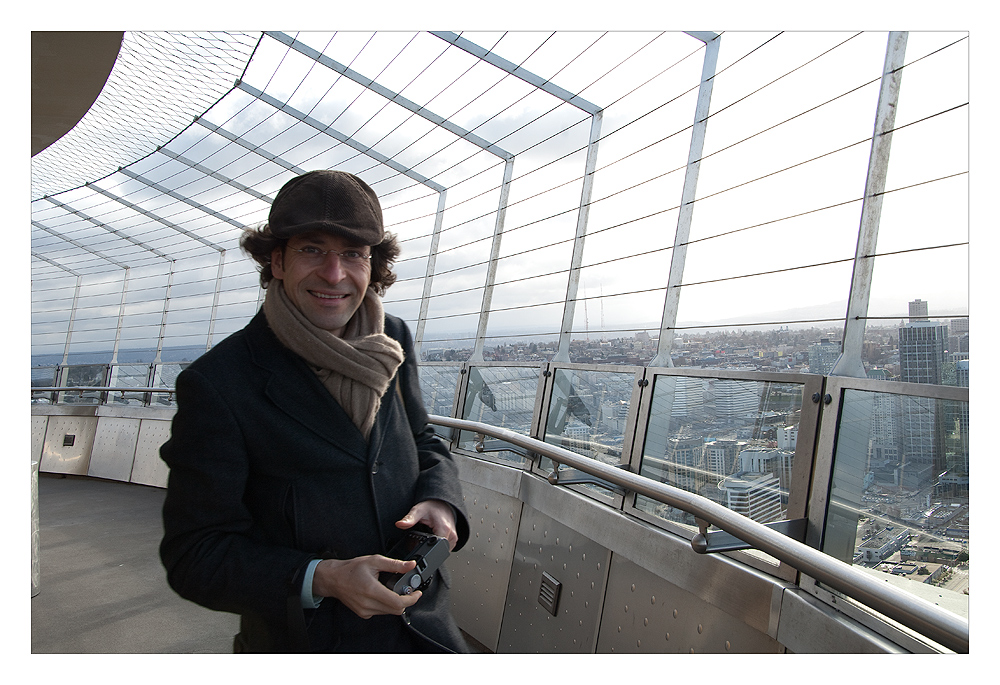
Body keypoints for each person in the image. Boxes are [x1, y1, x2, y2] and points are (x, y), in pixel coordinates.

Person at [159, 170, 470, 653]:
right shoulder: (220, 383)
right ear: (276, 260)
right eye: (312, 249)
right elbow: (194, 556)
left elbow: (422, 439)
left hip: (421, 632)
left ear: (374, 265)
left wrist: (440, 499)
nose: (334, 273)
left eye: (353, 254)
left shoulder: (392, 339)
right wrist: (322, 578)